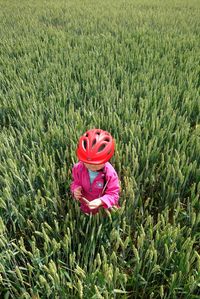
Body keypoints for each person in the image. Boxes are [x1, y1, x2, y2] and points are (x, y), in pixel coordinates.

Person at [70, 128, 120, 214]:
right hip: (86, 207)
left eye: (96, 163)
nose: (91, 166)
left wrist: (101, 201)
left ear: (106, 158)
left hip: (103, 210)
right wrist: (75, 189)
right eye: (87, 163)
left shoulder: (110, 174)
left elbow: (113, 195)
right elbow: (75, 182)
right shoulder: (77, 168)